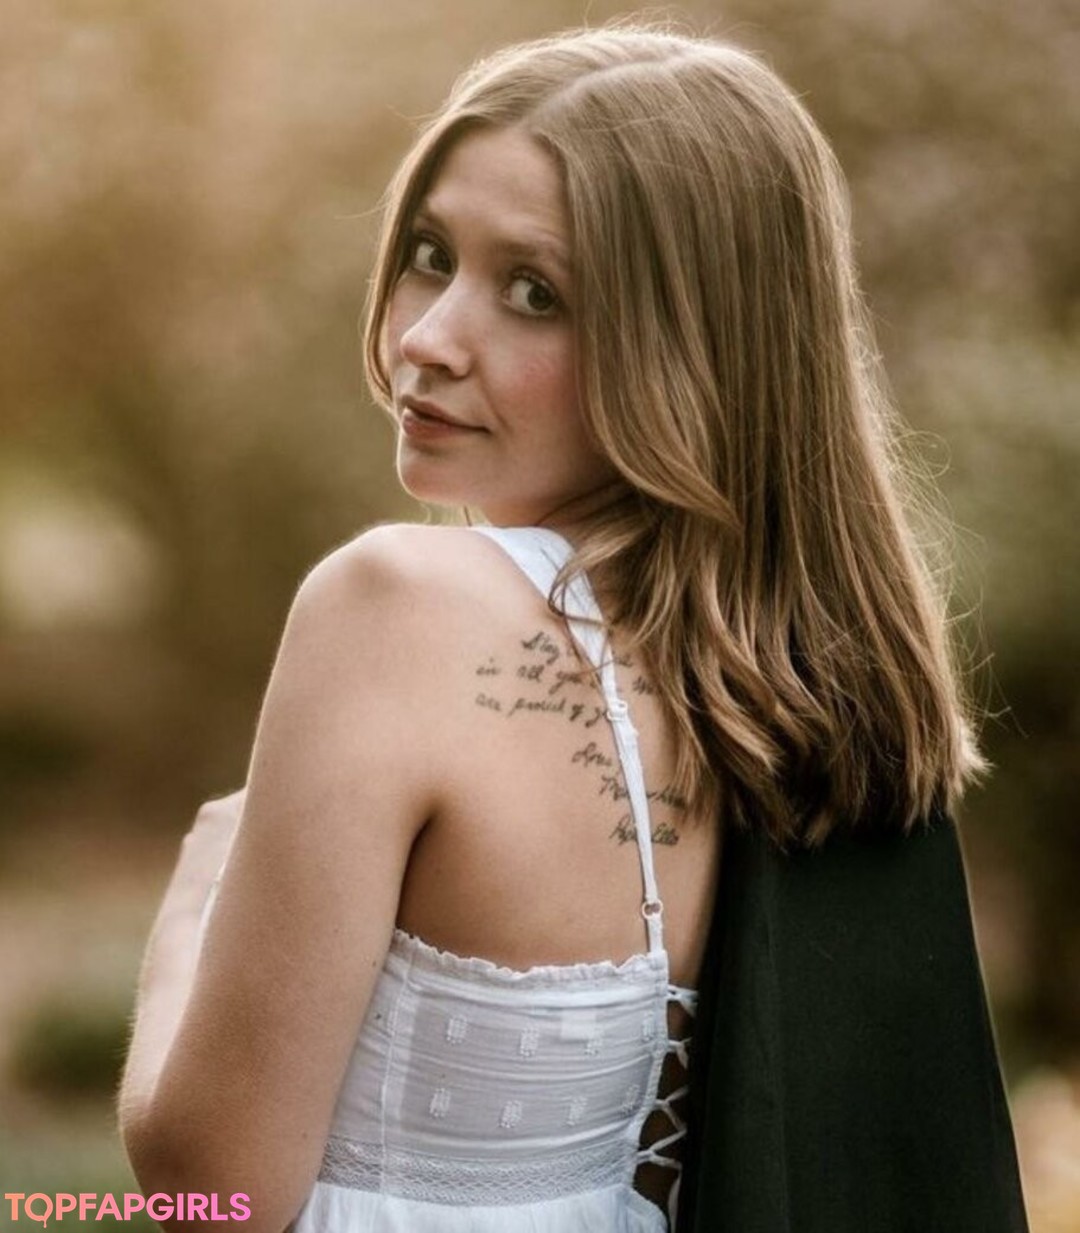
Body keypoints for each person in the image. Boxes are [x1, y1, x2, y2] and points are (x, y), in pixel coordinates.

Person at [118, 23, 1028, 1233]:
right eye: (431, 254)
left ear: (695, 348)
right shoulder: (807, 691)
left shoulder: (394, 607)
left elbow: (214, 1192)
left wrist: (191, 912)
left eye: (535, 293)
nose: (428, 336)